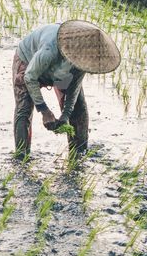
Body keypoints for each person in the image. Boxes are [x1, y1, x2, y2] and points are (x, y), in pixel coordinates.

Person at [12, 19, 121, 157]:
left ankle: (79, 153)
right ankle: (21, 157)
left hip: (61, 75)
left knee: (78, 108)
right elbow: (30, 77)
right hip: (29, 63)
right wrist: (44, 110)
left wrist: (66, 115)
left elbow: (74, 87)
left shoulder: (84, 60)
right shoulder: (50, 49)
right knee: (24, 109)